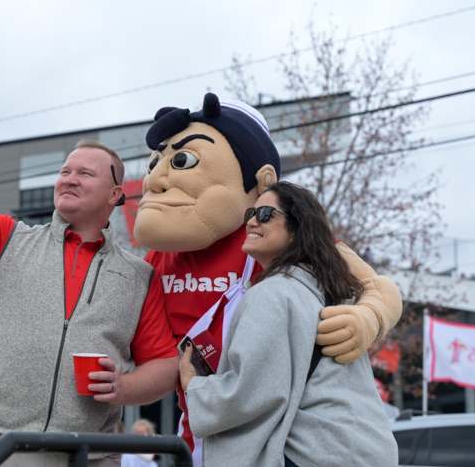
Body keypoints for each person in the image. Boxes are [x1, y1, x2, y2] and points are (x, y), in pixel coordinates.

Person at [0, 89, 178, 466]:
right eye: (65, 171)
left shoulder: (138, 276)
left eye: (84, 173)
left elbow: (164, 365)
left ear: (114, 195)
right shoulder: (6, 240)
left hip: (90, 453)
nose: (69, 179)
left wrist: (124, 387)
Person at [133, 93, 403, 463]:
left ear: (261, 182)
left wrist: (368, 316)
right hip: (198, 436)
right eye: (155, 163)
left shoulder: (278, 244)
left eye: (183, 160)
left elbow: (378, 287)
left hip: (276, 442)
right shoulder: (160, 258)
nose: (156, 181)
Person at [178, 182, 399, 467]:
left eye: (267, 214)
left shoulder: (273, 293)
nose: (253, 222)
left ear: (297, 230)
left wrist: (194, 385)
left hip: (315, 453)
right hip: (364, 450)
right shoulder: (329, 291)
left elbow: (251, 393)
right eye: (250, 214)